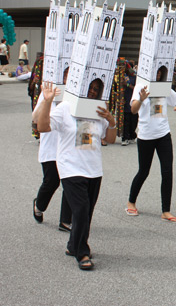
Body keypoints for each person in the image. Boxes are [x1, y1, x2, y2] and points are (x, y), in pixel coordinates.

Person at [37, 80, 117, 270]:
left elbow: (110, 139)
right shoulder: (66, 107)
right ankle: (82, 252)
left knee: (86, 213)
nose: (92, 91)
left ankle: (73, 246)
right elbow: (42, 127)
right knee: (80, 211)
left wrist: (111, 120)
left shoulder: (98, 109)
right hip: (70, 168)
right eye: (89, 87)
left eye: (96, 89)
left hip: (94, 169)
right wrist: (48, 101)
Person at [125, 70, 176, 222]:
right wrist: (140, 99)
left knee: (167, 172)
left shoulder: (164, 87)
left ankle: (166, 211)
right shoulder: (141, 85)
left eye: (161, 72)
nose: (158, 74)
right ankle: (131, 202)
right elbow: (133, 109)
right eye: (156, 71)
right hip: (146, 136)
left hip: (163, 135)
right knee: (143, 171)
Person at [32, 69, 72, 232]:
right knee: (52, 181)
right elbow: (35, 118)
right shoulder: (50, 92)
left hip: (68, 147)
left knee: (70, 182)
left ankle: (65, 220)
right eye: (66, 77)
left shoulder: (75, 98)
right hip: (50, 147)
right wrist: (47, 100)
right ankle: (39, 205)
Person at [121, 64, 138, 146]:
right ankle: (125, 137)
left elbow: (137, 88)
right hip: (125, 102)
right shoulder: (122, 76)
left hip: (134, 102)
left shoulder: (135, 77)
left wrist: (127, 85)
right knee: (126, 121)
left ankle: (132, 135)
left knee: (133, 121)